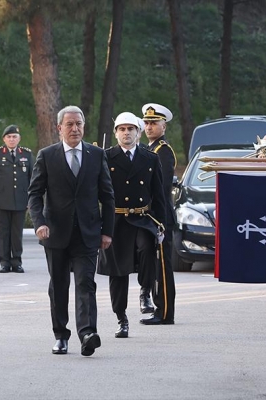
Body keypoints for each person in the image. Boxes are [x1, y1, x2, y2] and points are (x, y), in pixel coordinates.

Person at [28, 105, 114, 356]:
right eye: (70, 124)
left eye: (79, 124)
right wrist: (39, 222)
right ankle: (60, 335)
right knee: (59, 285)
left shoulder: (96, 155)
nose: (75, 129)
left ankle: (87, 333)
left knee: (86, 283)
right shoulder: (47, 155)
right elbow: (34, 194)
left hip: (88, 234)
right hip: (55, 233)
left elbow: (108, 196)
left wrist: (107, 231)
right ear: (59, 128)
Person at [99, 112, 167, 338]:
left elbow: (158, 195)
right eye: (122, 129)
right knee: (117, 274)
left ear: (138, 133)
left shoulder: (150, 159)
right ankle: (121, 318)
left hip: (142, 218)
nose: (126, 133)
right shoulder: (106, 157)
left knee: (147, 246)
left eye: (130, 129)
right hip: (116, 220)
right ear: (116, 132)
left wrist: (161, 224)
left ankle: (145, 291)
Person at [140, 103, 177, 325]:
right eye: (146, 123)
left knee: (163, 268)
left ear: (164, 126)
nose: (149, 127)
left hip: (160, 217)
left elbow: (160, 188)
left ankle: (165, 313)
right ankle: (158, 307)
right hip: (152, 217)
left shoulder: (163, 150)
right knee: (155, 266)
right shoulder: (149, 148)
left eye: (154, 123)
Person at [0, 125, 32, 273]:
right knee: (4, 233)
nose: (12, 139)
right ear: (4, 139)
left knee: (17, 233)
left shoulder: (26, 154)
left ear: (19, 139)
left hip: (21, 200)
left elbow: (33, 178)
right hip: (2, 200)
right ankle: (4, 262)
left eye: (14, 137)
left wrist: (31, 199)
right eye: (9, 137)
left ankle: (17, 261)